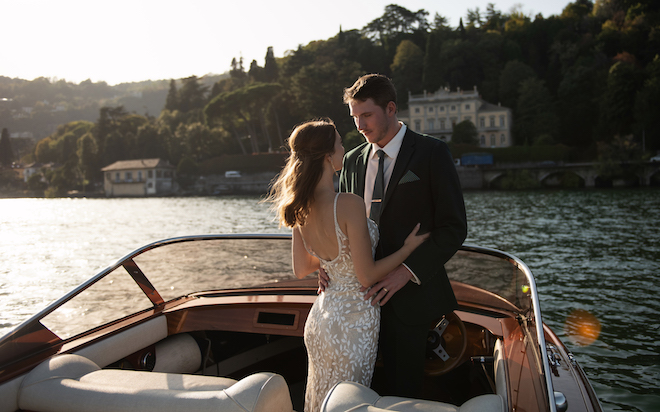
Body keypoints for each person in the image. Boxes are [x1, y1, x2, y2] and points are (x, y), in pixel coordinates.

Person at [267, 119, 429, 412]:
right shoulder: (349, 203)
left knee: (320, 398)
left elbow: (301, 267)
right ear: (329, 156)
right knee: (348, 404)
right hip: (354, 320)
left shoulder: (298, 205)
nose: (345, 147)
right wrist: (408, 249)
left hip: (322, 319)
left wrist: (330, 261)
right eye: (340, 143)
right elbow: (367, 276)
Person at [339, 74, 467, 398]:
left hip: (409, 301)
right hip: (357, 300)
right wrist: (327, 271)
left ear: (391, 108)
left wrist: (405, 273)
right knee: (356, 390)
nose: (359, 126)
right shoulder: (352, 161)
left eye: (366, 115)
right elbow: (339, 225)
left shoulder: (432, 153)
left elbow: (453, 228)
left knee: (402, 393)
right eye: (354, 117)